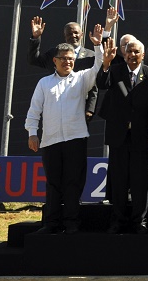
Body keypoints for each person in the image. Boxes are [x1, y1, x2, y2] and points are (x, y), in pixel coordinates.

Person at [25, 27, 107, 234]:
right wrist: (32, 133)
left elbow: (98, 67)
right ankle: (51, 223)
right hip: (51, 140)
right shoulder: (44, 83)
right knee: (53, 184)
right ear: (55, 60)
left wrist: (98, 45)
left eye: (71, 59)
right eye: (63, 58)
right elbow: (34, 110)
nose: (68, 62)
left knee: (73, 183)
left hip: (75, 139)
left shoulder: (81, 79)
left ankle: (71, 223)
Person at [96, 38, 148, 234]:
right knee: (119, 180)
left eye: (136, 52)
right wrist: (105, 64)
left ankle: (139, 221)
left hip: (142, 138)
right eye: (129, 52)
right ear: (124, 54)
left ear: (143, 55)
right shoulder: (115, 71)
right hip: (119, 137)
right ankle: (118, 221)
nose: (132, 55)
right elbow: (102, 83)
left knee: (140, 181)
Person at [27, 16, 98, 124]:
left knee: (77, 140)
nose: (73, 36)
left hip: (80, 109)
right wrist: (36, 38)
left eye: (76, 33)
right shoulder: (54, 53)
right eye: (69, 34)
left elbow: (94, 86)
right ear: (65, 36)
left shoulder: (91, 56)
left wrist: (90, 109)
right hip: (55, 107)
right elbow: (33, 60)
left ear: (81, 35)